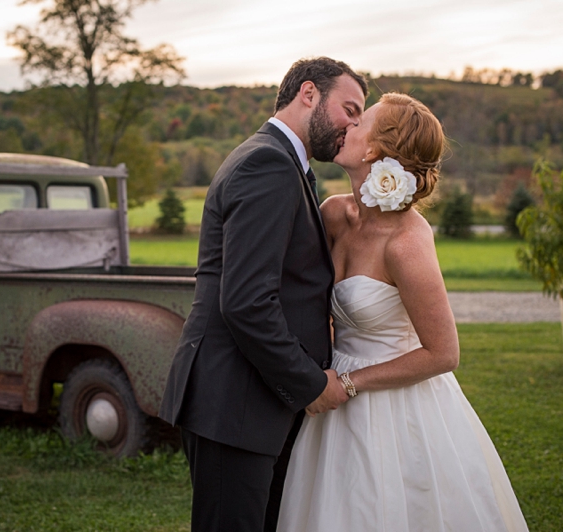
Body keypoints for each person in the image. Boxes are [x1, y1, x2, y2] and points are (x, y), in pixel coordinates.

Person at [276, 93, 529, 531]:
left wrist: (348, 384)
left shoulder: (407, 242)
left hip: (394, 404)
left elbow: (444, 353)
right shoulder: (334, 214)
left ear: (373, 150)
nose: (345, 126)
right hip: (330, 399)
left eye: (358, 122)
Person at [159, 57, 368, 531]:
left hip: (248, 404)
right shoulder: (268, 163)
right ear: (309, 94)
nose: (353, 125)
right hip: (235, 404)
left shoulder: (282, 162)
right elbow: (247, 302)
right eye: (350, 109)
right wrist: (309, 383)